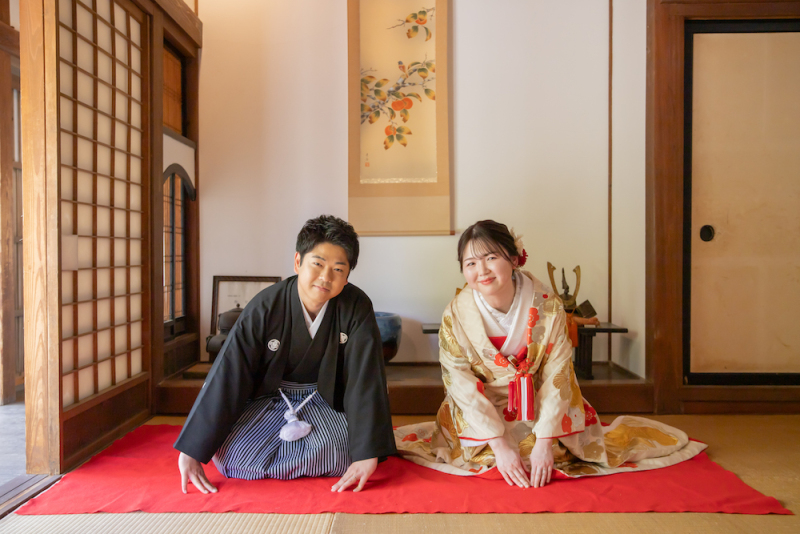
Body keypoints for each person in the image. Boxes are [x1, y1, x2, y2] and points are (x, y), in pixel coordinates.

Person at [395, 220, 705, 488]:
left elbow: (559, 373)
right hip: (483, 403)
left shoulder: (548, 306)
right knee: (491, 454)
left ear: (514, 258)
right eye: (471, 263)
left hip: (539, 399)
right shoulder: (456, 314)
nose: (482, 270)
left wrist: (544, 441)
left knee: (546, 453)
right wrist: (499, 444)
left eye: (491, 257)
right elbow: (459, 382)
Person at [174, 215, 397, 494]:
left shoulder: (356, 306)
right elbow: (229, 373)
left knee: (346, 450)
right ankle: (310, 463)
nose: (326, 277)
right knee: (232, 453)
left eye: (338, 269)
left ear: (347, 275)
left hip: (325, 401)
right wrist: (192, 450)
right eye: (317, 264)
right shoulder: (266, 305)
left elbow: (365, 379)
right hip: (270, 401)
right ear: (297, 262)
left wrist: (367, 453)